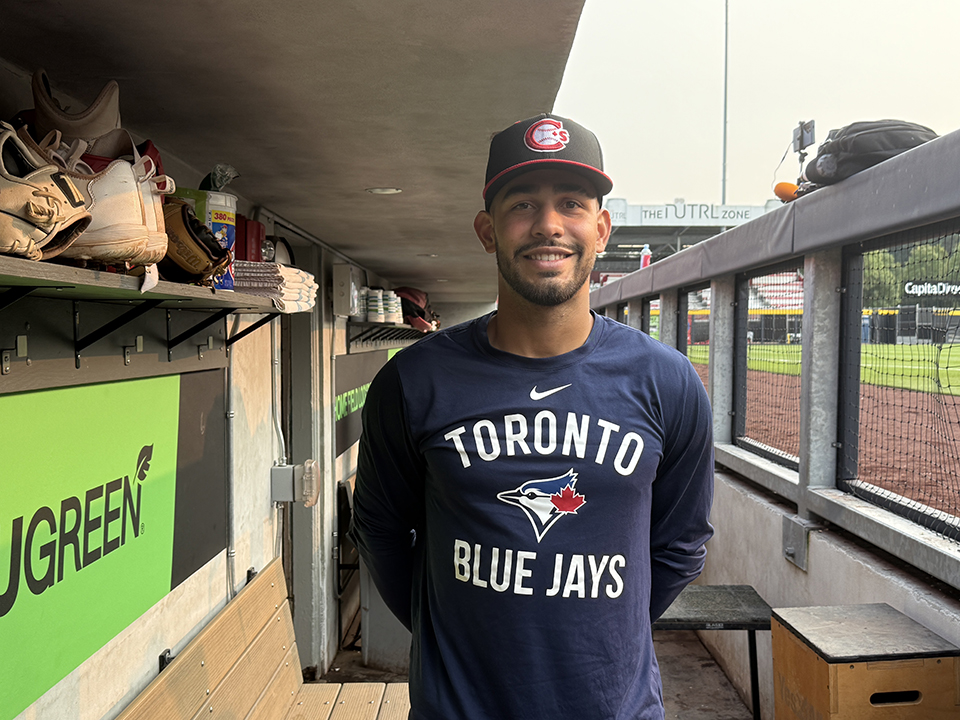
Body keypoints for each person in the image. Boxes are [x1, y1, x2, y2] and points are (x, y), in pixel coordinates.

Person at [352, 113, 714, 720]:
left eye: (571, 203)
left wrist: (604, 623)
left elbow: (680, 543)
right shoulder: (414, 381)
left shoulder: (667, 381)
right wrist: (449, 631)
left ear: (600, 228)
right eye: (522, 204)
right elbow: (382, 530)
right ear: (487, 230)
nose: (548, 226)